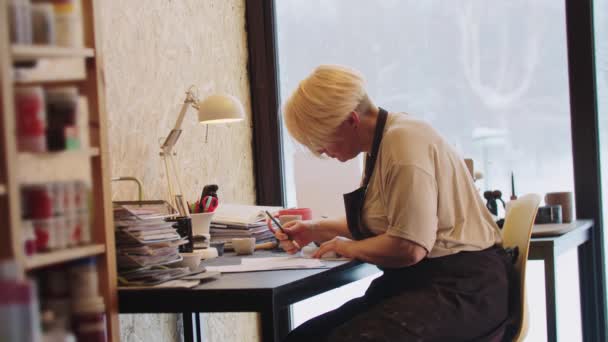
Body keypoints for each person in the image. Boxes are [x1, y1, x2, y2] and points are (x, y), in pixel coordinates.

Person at [271, 64, 515, 341]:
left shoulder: (403, 143)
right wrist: (317, 229)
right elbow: (388, 224)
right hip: (423, 283)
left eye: (321, 141)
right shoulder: (383, 142)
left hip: (466, 289)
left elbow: (409, 247)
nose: (321, 151)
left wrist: (349, 247)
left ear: (351, 120)